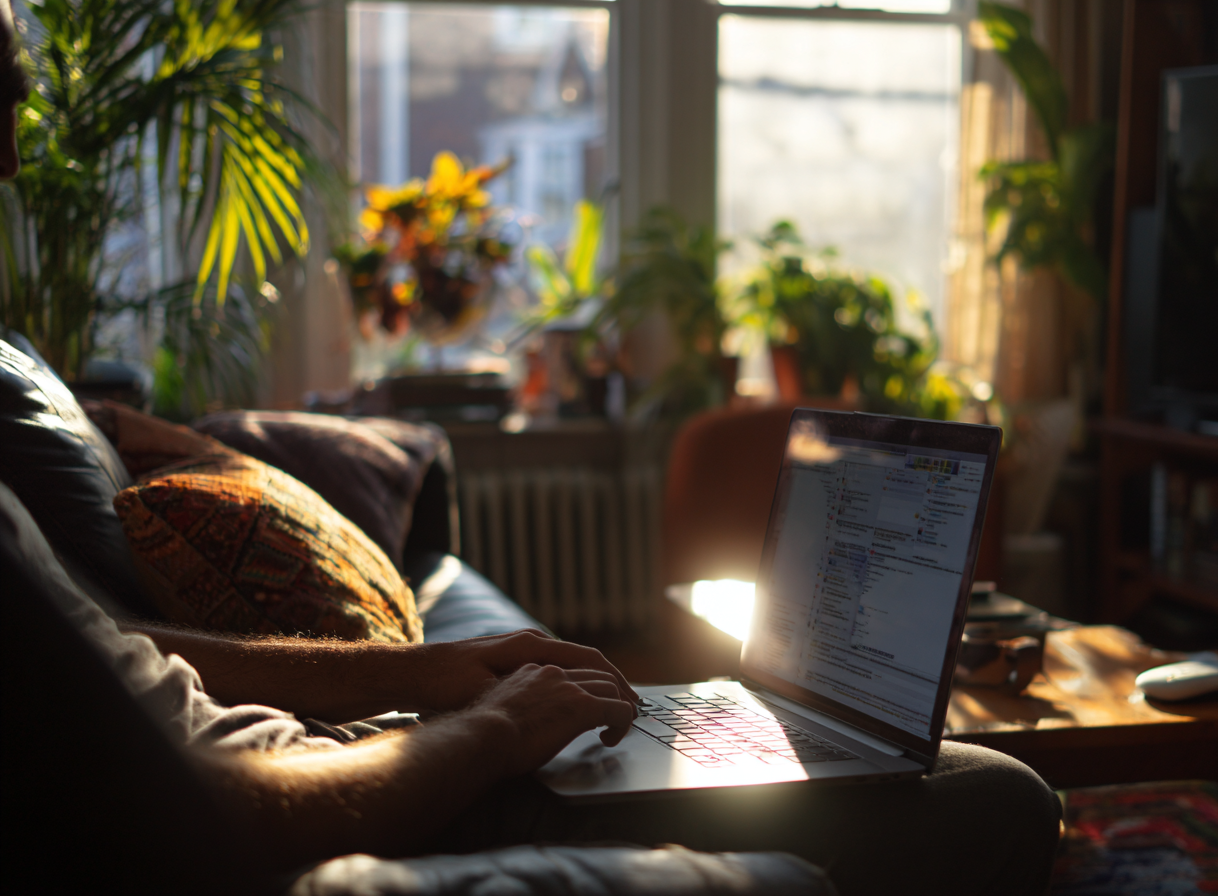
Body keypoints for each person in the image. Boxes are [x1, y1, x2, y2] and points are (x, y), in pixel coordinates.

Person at [0, 5, 1060, 893]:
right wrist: (496, 729)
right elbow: (214, 816)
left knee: (891, 760)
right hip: (359, 806)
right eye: (0, 95)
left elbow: (130, 652)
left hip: (343, 758)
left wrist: (440, 667)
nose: (13, 152)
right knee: (1001, 796)